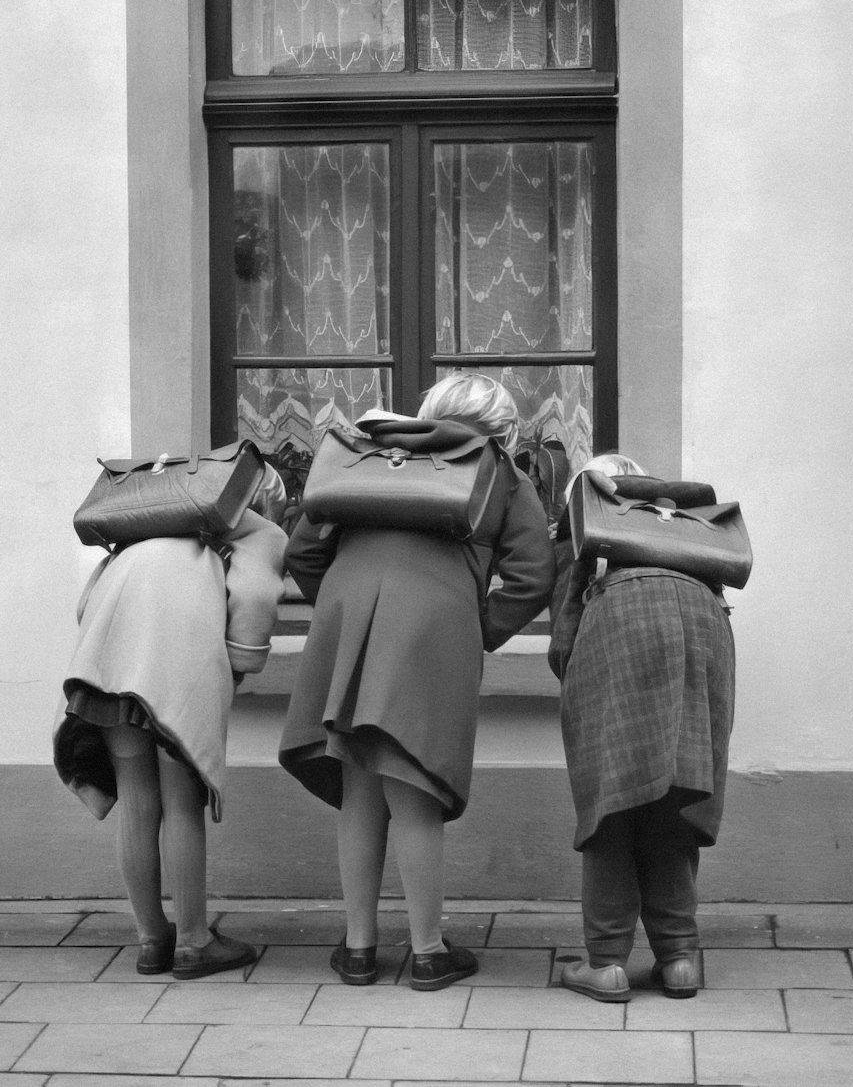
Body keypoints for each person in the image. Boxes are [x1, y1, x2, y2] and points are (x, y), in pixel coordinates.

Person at [278, 374, 556, 990]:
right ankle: (428, 953)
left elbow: (302, 553)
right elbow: (534, 575)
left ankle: (358, 951)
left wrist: (344, 616)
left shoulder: (367, 455)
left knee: (360, 790)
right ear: (501, 427)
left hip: (348, 622)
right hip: (434, 627)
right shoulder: (498, 470)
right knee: (413, 790)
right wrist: (476, 627)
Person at [53, 463, 287, 979]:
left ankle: (151, 938)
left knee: (137, 800)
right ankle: (194, 941)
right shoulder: (254, 528)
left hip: (107, 666)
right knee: (181, 801)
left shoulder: (138, 531)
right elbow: (255, 596)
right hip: (175, 669)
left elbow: (87, 603)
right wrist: (240, 666)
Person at [549, 453, 736, 1002]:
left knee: (613, 804)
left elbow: (564, 635)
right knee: (674, 798)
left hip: (622, 624)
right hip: (706, 630)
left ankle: (606, 964)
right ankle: (679, 959)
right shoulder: (681, 523)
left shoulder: (586, 520)